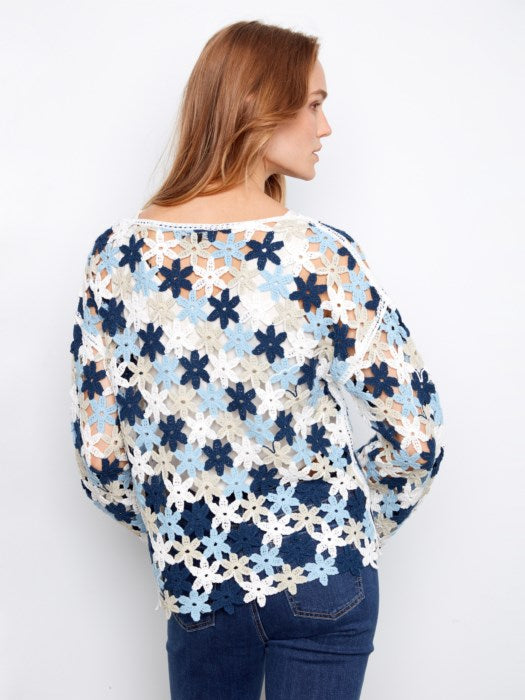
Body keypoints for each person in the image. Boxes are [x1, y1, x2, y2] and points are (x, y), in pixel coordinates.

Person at [69, 19, 445, 700]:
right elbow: (415, 436)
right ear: (258, 106)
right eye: (314, 104)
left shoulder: (118, 257)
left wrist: (188, 533)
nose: (325, 127)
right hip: (324, 578)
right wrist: (335, 531)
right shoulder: (318, 254)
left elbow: (103, 465)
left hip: (197, 585)